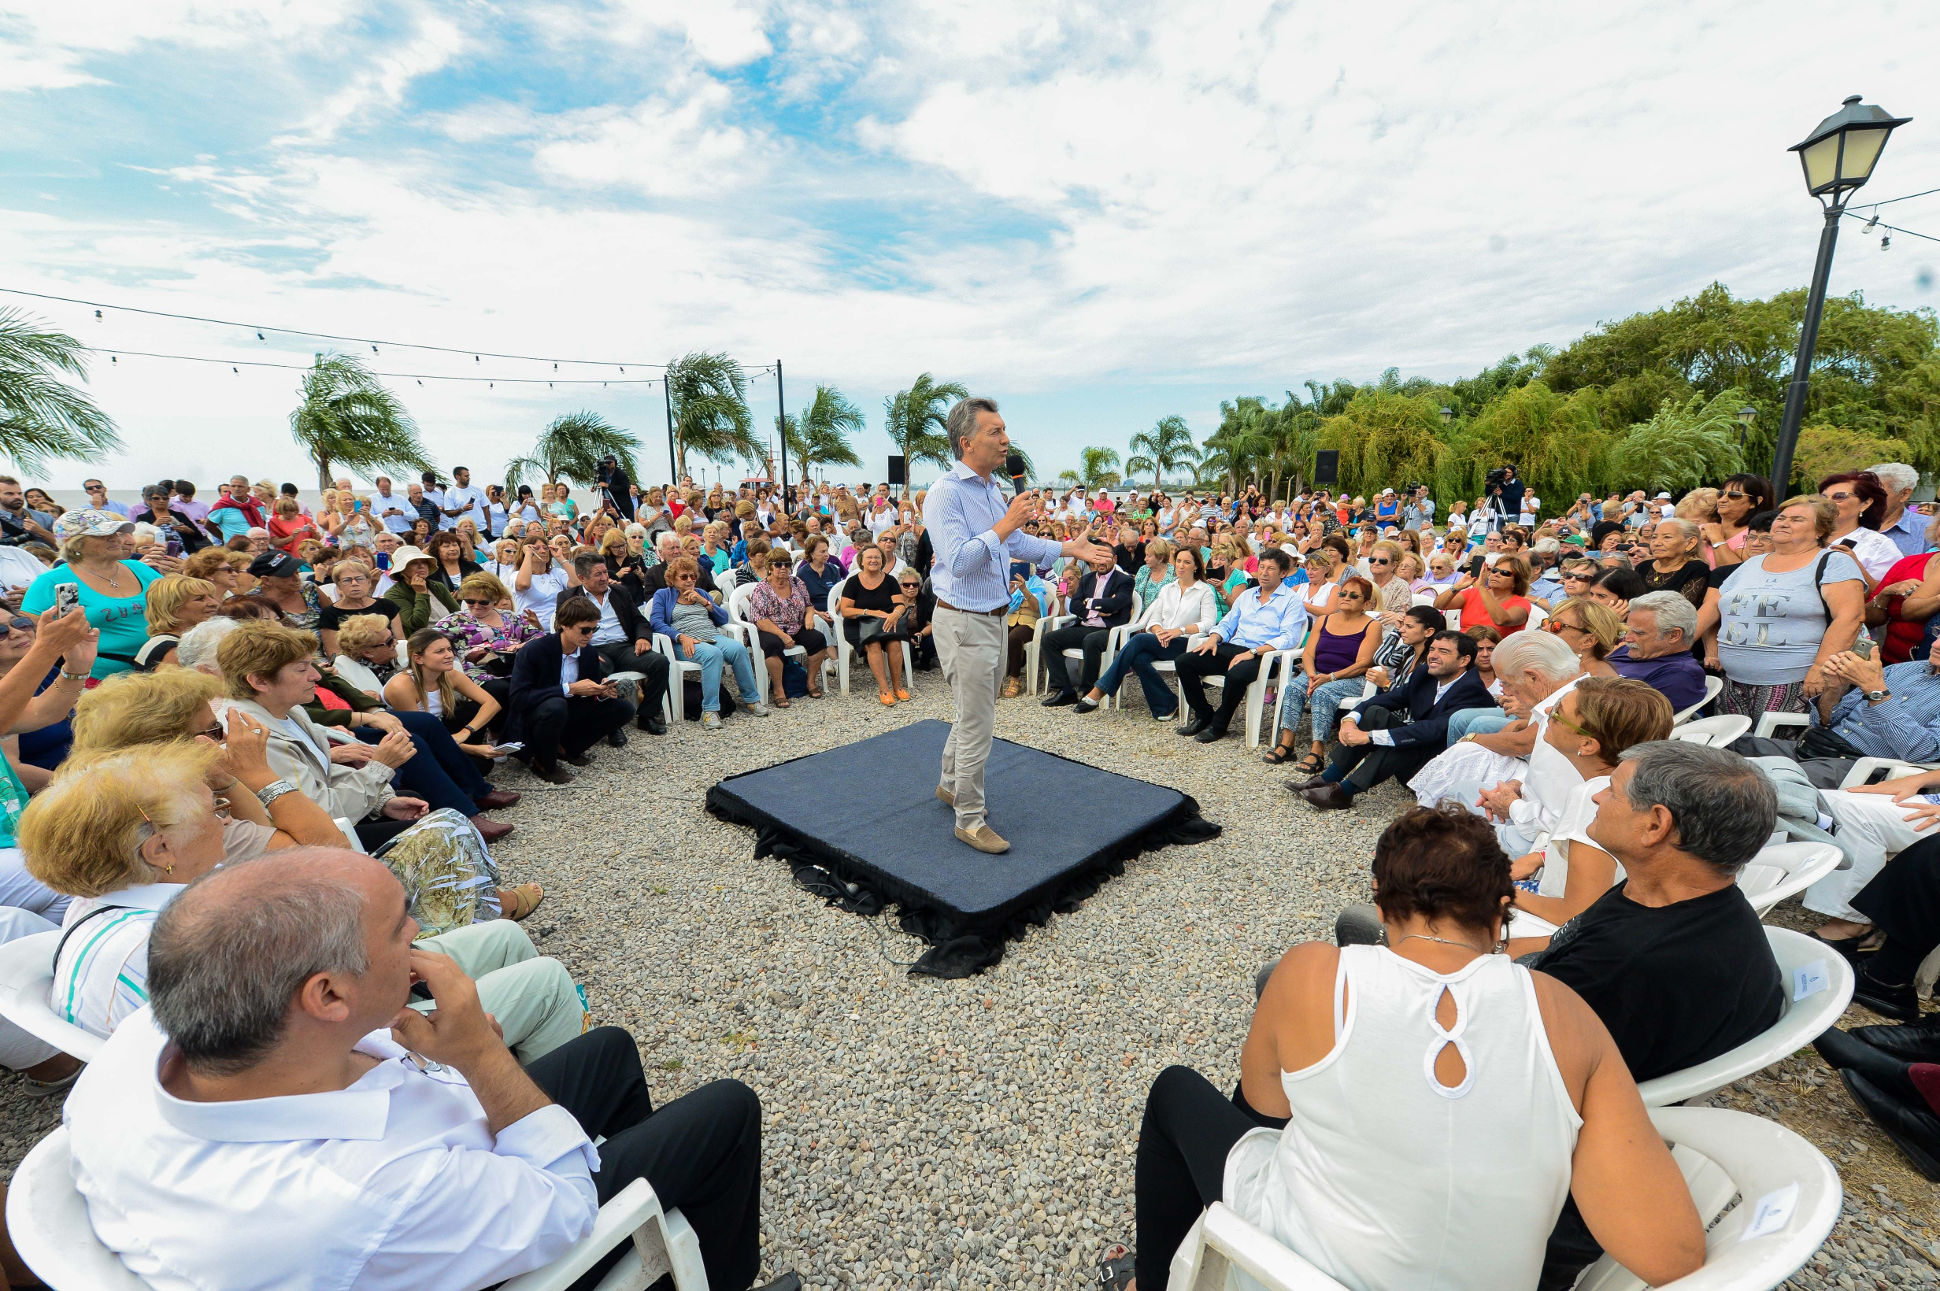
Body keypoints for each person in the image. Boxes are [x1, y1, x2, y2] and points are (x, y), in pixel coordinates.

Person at [62, 847, 794, 1291]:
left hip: (435, 1176)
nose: (419, 933)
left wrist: (440, 1056)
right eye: (399, 925)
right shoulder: (354, 1196)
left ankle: (657, 1251)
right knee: (727, 1108)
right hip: (482, 1209)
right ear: (327, 994)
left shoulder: (140, 1047)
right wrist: (479, 1055)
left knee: (610, 1049)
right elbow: (563, 1200)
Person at [1111, 804, 1703, 1291]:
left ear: (1377, 899)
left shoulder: (1314, 971)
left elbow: (1266, 1107)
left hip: (1292, 1272)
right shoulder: (1566, 1012)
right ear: (1502, 911)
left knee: (1175, 1092)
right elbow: (1666, 1255)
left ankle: (1153, 1282)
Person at [1512, 741, 1783, 1289]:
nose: (1595, 803)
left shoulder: (1638, 963)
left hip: (1536, 1165)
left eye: (1611, 794)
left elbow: (1521, 1072)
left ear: (1656, 824)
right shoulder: (1685, 904)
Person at [923, 398, 1117, 854]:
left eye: (1005, 429)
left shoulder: (991, 489)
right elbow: (961, 561)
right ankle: (968, 819)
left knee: (974, 712)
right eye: (995, 431)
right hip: (963, 621)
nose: (1006, 438)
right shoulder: (946, 492)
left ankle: (950, 784)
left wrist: (1072, 549)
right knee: (977, 723)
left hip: (993, 618)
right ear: (966, 442)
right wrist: (1006, 523)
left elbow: (1018, 543)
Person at [1698, 494, 1865, 719]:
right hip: (1733, 681)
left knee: (1772, 749)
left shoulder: (1833, 562)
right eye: (1782, 517)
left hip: (1794, 682)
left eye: (1797, 519)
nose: (1784, 522)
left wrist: (1819, 668)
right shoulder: (1753, 564)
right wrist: (1674, 645)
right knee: (1732, 749)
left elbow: (1850, 618)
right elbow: (1713, 607)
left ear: (1819, 531)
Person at [1292, 630, 1494, 810]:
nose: (1433, 655)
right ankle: (1328, 778)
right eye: (1432, 649)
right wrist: (1350, 719)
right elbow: (1390, 698)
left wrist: (1369, 737)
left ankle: (1344, 792)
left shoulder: (1472, 690)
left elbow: (1433, 731)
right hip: (1418, 749)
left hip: (1438, 766)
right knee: (1375, 713)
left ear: (1464, 660)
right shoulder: (1426, 673)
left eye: (1443, 651)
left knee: (1404, 741)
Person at [1174, 548, 1306, 744]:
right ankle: (1204, 714)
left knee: (1237, 673)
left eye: (1271, 569)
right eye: (1261, 567)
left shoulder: (1291, 601)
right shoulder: (1249, 595)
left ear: (1283, 573)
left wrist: (1254, 652)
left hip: (1265, 655)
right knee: (1185, 661)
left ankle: (1219, 724)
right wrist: (1214, 638)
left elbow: (1288, 638)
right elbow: (1228, 622)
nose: (1263, 572)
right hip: (1235, 648)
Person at [1074, 547, 1217, 719]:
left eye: (1187, 562)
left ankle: (1100, 690)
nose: (1181, 566)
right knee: (1138, 658)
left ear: (1196, 566)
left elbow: (1208, 623)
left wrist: (1178, 631)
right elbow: (1154, 619)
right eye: (1178, 561)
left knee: (1140, 640)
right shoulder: (1168, 589)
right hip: (1163, 640)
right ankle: (1167, 705)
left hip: (1188, 642)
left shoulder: (1204, 590)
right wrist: (1159, 632)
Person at [20, 507, 161, 678]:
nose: (115, 538)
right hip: (99, 680)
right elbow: (30, 634)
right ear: (74, 543)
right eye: (103, 534)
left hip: (161, 667)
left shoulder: (140, 569)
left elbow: (177, 606)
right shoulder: (52, 581)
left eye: (116, 532)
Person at [509, 595, 639, 780]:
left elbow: (588, 690)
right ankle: (544, 763)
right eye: (585, 630)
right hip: (535, 714)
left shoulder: (588, 652)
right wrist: (569, 688)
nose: (590, 635)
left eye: (595, 629)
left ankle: (566, 748)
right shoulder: (535, 650)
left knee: (624, 709)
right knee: (556, 705)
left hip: (569, 710)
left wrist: (601, 691)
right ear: (564, 624)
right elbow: (518, 698)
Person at [1262, 576, 1381, 774]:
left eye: (1354, 595)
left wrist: (1330, 677)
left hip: (1352, 678)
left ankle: (1318, 750)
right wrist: (1311, 675)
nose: (1346, 597)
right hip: (1317, 673)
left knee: (1323, 693)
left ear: (1366, 603)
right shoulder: (1325, 620)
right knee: (1293, 688)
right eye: (1343, 593)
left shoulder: (1371, 625)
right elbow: (1308, 653)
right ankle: (1287, 742)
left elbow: (1363, 664)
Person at [650, 556, 766, 729]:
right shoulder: (663, 595)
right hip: (684, 641)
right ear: (672, 579)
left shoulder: (701, 593)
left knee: (739, 649)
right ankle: (709, 710)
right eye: (684, 577)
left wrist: (705, 602)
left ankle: (751, 700)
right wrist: (681, 637)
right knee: (713, 655)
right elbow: (656, 623)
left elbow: (723, 618)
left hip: (711, 635)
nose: (689, 580)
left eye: (692, 576)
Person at [568, 554, 672, 736]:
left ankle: (647, 716)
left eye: (605, 573)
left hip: (623, 647)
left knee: (659, 662)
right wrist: (585, 651)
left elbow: (639, 620)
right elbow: (563, 629)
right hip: (594, 649)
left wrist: (643, 638)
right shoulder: (570, 596)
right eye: (598, 574)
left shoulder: (619, 592)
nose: (604, 578)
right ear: (582, 578)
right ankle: (611, 724)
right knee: (595, 669)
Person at [385, 628, 507, 764]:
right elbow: (417, 735)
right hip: (414, 741)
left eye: (449, 649)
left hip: (439, 729)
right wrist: (473, 749)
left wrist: (465, 732)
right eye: (440, 651)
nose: (449, 655)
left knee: (474, 708)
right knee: (481, 764)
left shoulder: (450, 674)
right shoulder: (402, 686)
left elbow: (492, 704)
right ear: (418, 658)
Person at [1041, 548, 1135, 707]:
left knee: (1090, 641)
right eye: (1098, 558)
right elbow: (1077, 606)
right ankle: (1065, 690)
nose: (1101, 562)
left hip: (1110, 630)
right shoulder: (1087, 579)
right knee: (1049, 639)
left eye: (1106, 558)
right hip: (1086, 625)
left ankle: (1087, 692)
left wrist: (1089, 602)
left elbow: (1117, 603)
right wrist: (1099, 611)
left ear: (1115, 559)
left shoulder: (1124, 580)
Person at [746, 550, 831, 705]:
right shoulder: (762, 588)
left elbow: (809, 605)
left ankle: (810, 682)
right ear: (770, 567)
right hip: (770, 628)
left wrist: (809, 617)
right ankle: (779, 689)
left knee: (818, 639)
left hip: (796, 625)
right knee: (773, 645)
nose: (783, 568)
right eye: (778, 564)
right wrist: (783, 636)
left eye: (787, 564)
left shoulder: (797, 582)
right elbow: (760, 620)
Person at [1603, 592, 1708, 712]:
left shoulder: (1680, 675)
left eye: (1639, 633)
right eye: (1627, 630)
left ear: (1674, 635)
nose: (1627, 638)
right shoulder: (1630, 651)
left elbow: (1621, 719)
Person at [838, 544, 913, 706]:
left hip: (885, 622)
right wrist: (870, 612)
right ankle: (884, 689)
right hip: (858, 624)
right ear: (861, 562)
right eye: (869, 558)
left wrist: (895, 614)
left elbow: (900, 604)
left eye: (877, 557)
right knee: (873, 643)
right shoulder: (853, 582)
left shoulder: (890, 580)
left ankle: (897, 687)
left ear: (882, 560)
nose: (873, 560)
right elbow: (845, 610)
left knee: (894, 643)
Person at [1822, 469, 1901, 586]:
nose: (1828, 502)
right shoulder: (1802, 534)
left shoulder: (1878, 545)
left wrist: (1856, 567)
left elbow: (1883, 594)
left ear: (1865, 504)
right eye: (1823, 497)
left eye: (1839, 496)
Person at [132, 573, 221, 670]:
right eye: (200, 599)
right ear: (173, 608)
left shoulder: (179, 643)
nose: (214, 603)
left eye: (211, 597)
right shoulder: (172, 650)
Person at [317, 559, 400, 658]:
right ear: (339, 585)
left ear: (369, 582)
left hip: (392, 658)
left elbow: (400, 641)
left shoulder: (387, 605)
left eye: (359, 579)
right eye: (347, 580)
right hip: (353, 665)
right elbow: (334, 654)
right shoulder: (330, 614)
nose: (354, 583)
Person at [1435, 555, 1532, 636]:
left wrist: (1481, 587)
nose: (1496, 574)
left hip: (1493, 652)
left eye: (1505, 573)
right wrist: (1457, 586)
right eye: (1494, 570)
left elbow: (1501, 620)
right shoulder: (1473, 593)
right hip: (1463, 646)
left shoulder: (1521, 603)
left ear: (1517, 581)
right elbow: (1438, 605)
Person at [383, 544, 461, 632]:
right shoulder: (394, 594)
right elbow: (417, 623)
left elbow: (458, 614)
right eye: (414, 563)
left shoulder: (437, 586)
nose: (421, 566)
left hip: (452, 634)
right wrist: (421, 593)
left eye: (424, 562)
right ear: (402, 570)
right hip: (422, 641)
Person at [1636, 518, 1709, 608]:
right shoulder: (1642, 567)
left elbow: (1679, 611)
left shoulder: (1697, 569)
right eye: (1654, 537)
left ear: (1690, 543)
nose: (1657, 543)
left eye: (1667, 537)